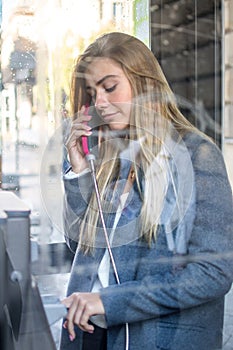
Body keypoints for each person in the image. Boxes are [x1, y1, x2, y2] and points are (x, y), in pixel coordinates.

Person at [60, 32, 233, 350]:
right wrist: (80, 172)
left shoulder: (197, 156)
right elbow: (77, 246)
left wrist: (110, 302)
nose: (100, 103)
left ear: (145, 85)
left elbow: (213, 272)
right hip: (90, 336)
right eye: (92, 93)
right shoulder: (108, 156)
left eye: (110, 87)